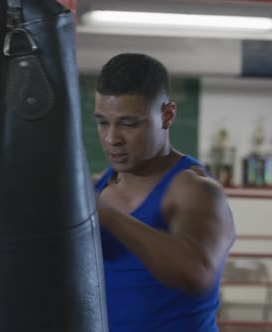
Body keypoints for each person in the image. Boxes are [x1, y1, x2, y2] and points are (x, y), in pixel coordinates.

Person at [92, 53, 235, 331]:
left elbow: (198, 273)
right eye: (102, 122)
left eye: (128, 123)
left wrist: (107, 216)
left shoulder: (193, 189)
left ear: (167, 115)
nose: (112, 138)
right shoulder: (99, 188)